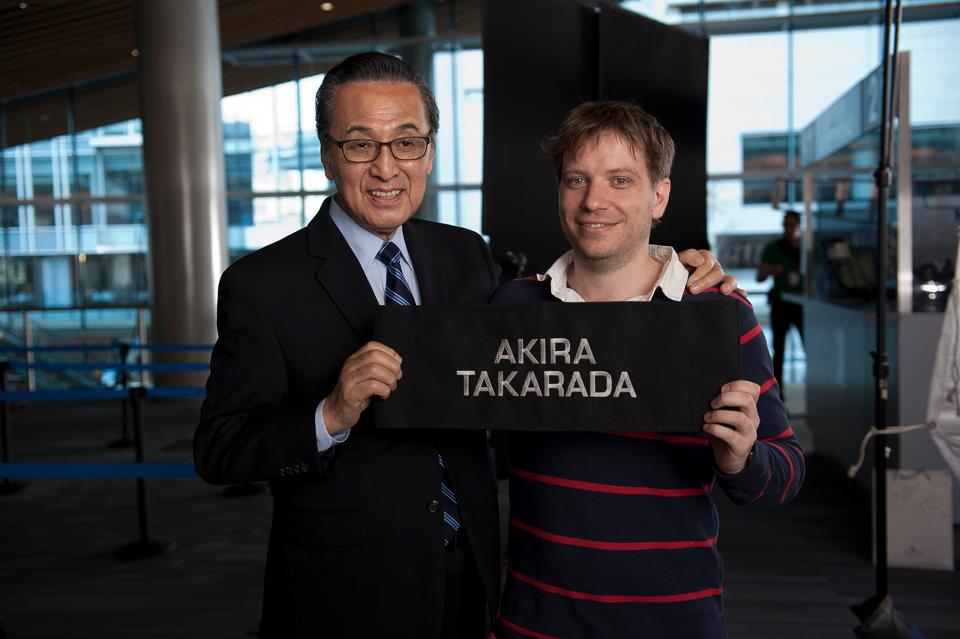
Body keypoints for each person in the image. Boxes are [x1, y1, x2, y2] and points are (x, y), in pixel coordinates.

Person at [195, 53, 734, 639]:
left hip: (471, 576)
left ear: (428, 152)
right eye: (360, 145)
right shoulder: (262, 284)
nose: (386, 167)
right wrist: (330, 414)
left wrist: (670, 268)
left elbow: (553, 331)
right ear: (328, 154)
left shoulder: (465, 255)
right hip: (345, 591)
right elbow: (220, 450)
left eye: (407, 143)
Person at [492, 101, 805, 639]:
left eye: (620, 180)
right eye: (577, 180)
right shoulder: (513, 308)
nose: (594, 201)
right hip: (534, 620)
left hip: (674, 621)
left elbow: (786, 475)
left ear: (659, 196)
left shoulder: (718, 315)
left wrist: (742, 458)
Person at [756, 209, 804, 390]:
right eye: (785, 225)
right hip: (781, 303)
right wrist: (771, 270)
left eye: (792, 225)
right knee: (779, 350)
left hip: (803, 304)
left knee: (810, 346)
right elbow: (759, 277)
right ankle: (778, 393)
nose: (788, 229)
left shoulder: (807, 248)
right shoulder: (774, 248)